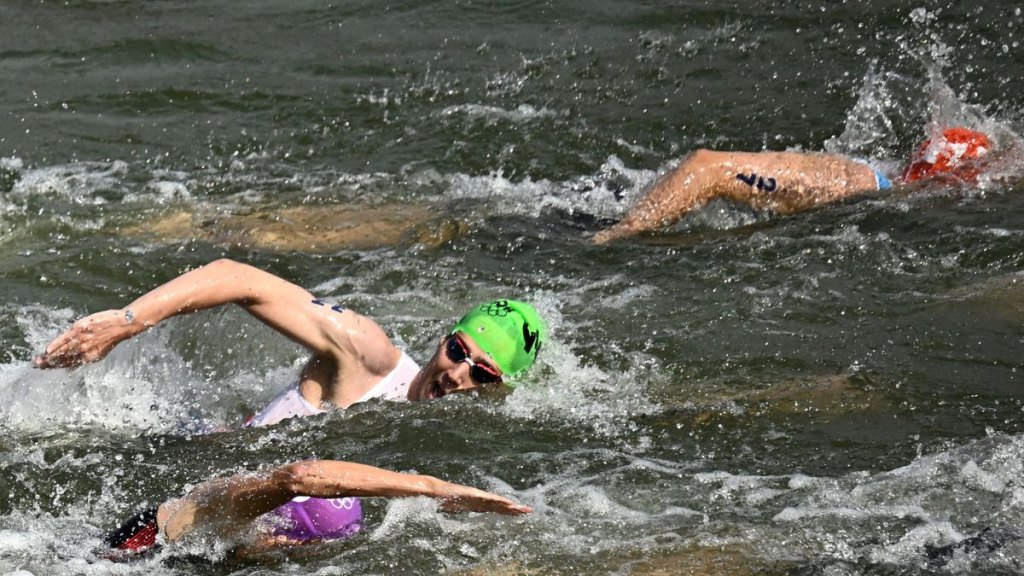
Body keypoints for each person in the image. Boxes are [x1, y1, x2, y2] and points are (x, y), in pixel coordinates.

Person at [34, 258, 546, 550]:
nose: (458, 372)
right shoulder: (367, 355)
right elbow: (239, 278)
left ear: (498, 390)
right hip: (187, 489)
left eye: (482, 372)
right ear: (445, 336)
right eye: (458, 350)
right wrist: (127, 322)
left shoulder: (460, 446)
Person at [593, 126, 994, 243]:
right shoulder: (853, 184)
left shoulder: (876, 184)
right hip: (613, 228)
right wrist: (620, 235)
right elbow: (707, 168)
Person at [104, 458, 531, 558]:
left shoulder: (253, 547)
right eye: (290, 539)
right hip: (134, 551)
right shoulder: (228, 511)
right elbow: (298, 478)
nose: (284, 545)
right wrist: (430, 487)